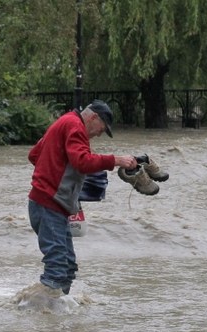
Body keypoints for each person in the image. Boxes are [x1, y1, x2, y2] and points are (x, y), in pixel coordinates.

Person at [26, 100, 137, 296]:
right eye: (101, 129)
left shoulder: (64, 122)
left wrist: (61, 178)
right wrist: (116, 160)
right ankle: (40, 315)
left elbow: (34, 154)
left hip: (45, 204)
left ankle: (53, 316)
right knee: (58, 267)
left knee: (67, 266)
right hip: (48, 205)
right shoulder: (75, 127)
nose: (99, 134)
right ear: (93, 117)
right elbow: (82, 161)